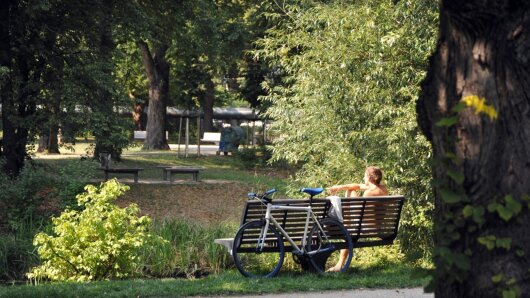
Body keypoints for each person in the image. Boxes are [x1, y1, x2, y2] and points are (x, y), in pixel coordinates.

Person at [325, 166, 389, 272]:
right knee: (351, 191)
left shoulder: (369, 193)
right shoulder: (383, 188)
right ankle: (339, 265)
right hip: (379, 226)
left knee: (350, 195)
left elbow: (362, 215)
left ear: (369, 178)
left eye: (364, 176)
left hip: (366, 227)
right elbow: (358, 185)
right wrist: (340, 187)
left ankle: (339, 265)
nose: (363, 179)